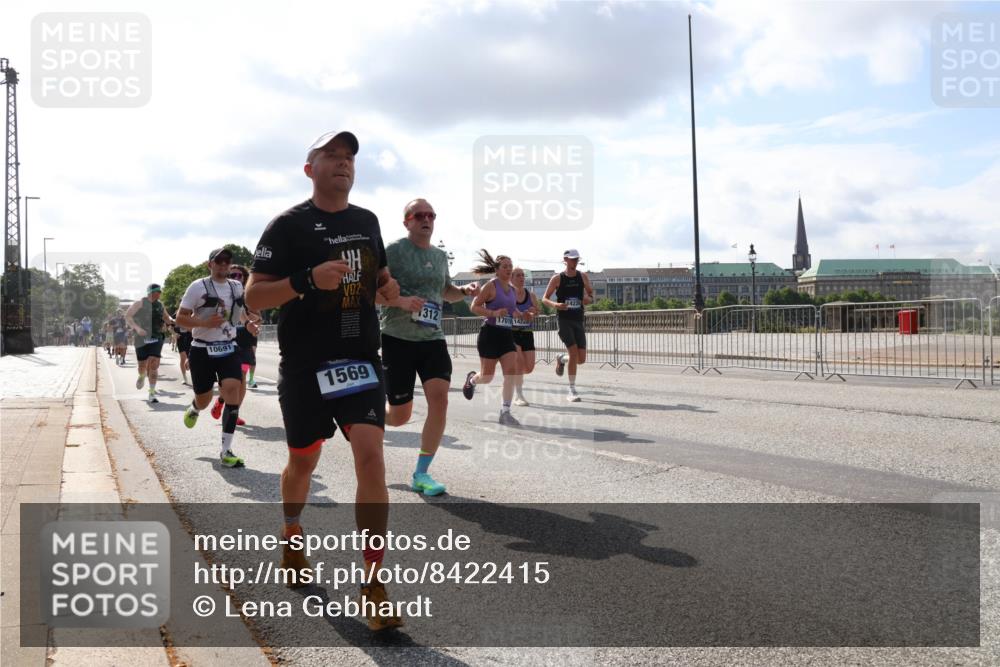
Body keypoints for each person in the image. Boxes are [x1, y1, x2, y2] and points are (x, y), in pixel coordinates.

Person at [245, 130, 403, 631]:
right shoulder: (287, 226)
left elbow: (379, 280)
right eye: (331, 156)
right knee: (303, 460)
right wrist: (307, 280)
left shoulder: (367, 221)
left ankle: (373, 583)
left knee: (372, 456)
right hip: (306, 364)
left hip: (358, 358)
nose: (343, 163)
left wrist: (387, 288)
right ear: (309, 169)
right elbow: (253, 298)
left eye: (349, 157)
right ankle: (292, 531)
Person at [378, 198, 479, 496]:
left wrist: (462, 291)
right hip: (397, 338)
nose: (427, 219)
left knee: (440, 400)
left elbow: (444, 290)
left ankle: (421, 473)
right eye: (419, 215)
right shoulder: (393, 251)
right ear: (406, 221)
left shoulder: (439, 256)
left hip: (432, 338)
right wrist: (400, 302)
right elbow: (368, 293)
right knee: (400, 416)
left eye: (431, 215)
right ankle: (367, 415)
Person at [176, 248, 247, 468]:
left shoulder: (237, 287)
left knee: (233, 388)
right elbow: (180, 318)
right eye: (219, 261)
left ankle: (226, 450)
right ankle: (196, 407)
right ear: (210, 265)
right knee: (205, 399)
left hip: (228, 346)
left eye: (227, 261)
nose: (224, 265)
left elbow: (240, 311)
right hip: (202, 348)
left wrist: (249, 322)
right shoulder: (198, 287)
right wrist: (204, 323)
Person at [462, 250, 520, 424]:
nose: (509, 269)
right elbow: (474, 307)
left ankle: (505, 412)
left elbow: (511, 311)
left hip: (506, 335)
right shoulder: (491, 286)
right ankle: (472, 380)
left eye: (510, 266)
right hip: (490, 334)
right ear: (497, 270)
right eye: (505, 266)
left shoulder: (513, 290)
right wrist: (493, 312)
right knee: (487, 377)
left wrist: (521, 314)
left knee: (511, 372)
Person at [542, 249, 594, 401]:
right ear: (565, 260)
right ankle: (572, 390)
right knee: (573, 352)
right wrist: (556, 304)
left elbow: (591, 295)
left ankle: (561, 359)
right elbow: (545, 298)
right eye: (572, 259)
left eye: (577, 259)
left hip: (578, 319)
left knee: (581, 359)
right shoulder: (557, 278)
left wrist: (587, 299)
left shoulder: (583, 276)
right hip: (564, 320)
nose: (575, 261)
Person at [209, 264, 257, 426]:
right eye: (233, 275)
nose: (237, 278)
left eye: (239, 276)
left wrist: (255, 321)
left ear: (244, 278)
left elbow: (258, 316)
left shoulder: (249, 294)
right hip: (227, 341)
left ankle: (232, 412)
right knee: (234, 380)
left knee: (242, 380)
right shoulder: (220, 293)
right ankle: (224, 401)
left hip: (245, 342)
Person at [125, 284, 174, 403]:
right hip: (141, 338)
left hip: (156, 337)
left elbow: (167, 318)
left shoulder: (160, 304)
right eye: (156, 292)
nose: (158, 294)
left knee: (154, 364)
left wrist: (174, 321)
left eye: (159, 292)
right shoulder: (139, 303)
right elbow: (128, 316)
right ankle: (142, 376)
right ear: (150, 292)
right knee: (142, 366)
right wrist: (137, 328)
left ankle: (151, 393)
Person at [510, 267, 539, 406]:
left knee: (529, 367)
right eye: (518, 276)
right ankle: (518, 395)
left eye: (523, 275)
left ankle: (512, 374)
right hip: (511, 332)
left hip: (527, 332)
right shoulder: (507, 294)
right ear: (511, 278)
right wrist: (513, 313)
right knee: (519, 361)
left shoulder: (531, 295)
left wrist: (531, 313)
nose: (521, 278)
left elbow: (537, 310)